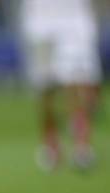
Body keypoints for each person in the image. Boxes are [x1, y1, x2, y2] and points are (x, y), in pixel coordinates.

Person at [19, 0, 101, 170]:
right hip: (40, 19)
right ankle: (51, 142)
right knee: (46, 87)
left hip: (75, 17)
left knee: (79, 79)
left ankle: (81, 145)